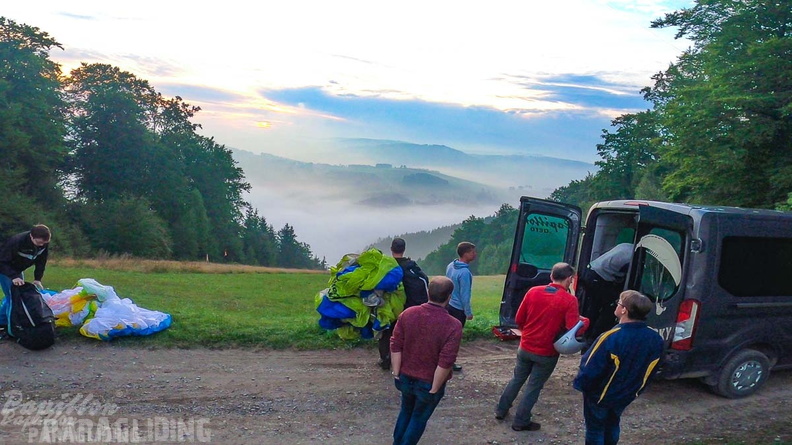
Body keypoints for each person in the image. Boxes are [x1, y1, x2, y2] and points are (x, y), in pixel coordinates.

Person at [495, 262, 588, 432]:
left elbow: (519, 319)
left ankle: (501, 410)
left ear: (551, 276)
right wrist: (585, 322)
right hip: (547, 352)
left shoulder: (533, 292)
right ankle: (521, 420)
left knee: (517, 379)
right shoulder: (569, 300)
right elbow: (571, 328)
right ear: (569, 279)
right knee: (534, 386)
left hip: (525, 346)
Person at [573, 290, 664, 445]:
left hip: (600, 396)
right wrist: (636, 391)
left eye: (619, 303)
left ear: (624, 310)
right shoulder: (656, 338)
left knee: (595, 429)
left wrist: (583, 386)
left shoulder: (611, 337)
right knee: (613, 424)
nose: (617, 305)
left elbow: (590, 368)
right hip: (626, 394)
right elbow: (653, 369)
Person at [390, 276, 462, 445]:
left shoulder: (408, 314)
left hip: (405, 376)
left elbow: (395, 345)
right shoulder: (453, 325)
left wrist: (396, 372)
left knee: (405, 412)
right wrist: (435, 388)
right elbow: (446, 360)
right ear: (449, 296)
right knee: (418, 418)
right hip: (429, 382)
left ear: (428, 292)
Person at [378, 237, 429, 370]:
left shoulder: (386, 266)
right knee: (404, 335)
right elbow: (424, 281)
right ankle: (404, 361)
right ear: (404, 249)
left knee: (386, 333)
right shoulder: (410, 266)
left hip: (387, 307)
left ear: (391, 249)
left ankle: (385, 359)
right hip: (407, 307)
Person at [0, 224, 52, 326]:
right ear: (31, 236)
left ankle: (1, 321)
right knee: (14, 298)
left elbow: (41, 261)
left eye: (45, 243)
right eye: (39, 242)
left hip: (17, 270)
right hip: (5, 269)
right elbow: (2, 261)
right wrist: (13, 276)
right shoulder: (16, 241)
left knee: (17, 296)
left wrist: (37, 279)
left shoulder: (43, 243)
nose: (41, 245)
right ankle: (12, 328)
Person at [582, 243, 633, 340]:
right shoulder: (634, 256)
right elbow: (627, 275)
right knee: (610, 307)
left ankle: (587, 335)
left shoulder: (627, 245)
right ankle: (595, 337)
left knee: (594, 307)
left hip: (591, 270)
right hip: (599, 276)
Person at [445, 241, 476, 371]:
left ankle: (441, 359)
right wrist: (468, 312)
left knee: (446, 335)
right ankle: (449, 362)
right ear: (465, 254)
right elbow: (465, 295)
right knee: (454, 337)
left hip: (448, 305)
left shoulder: (451, 266)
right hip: (458, 309)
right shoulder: (464, 273)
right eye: (472, 252)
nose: (475, 254)